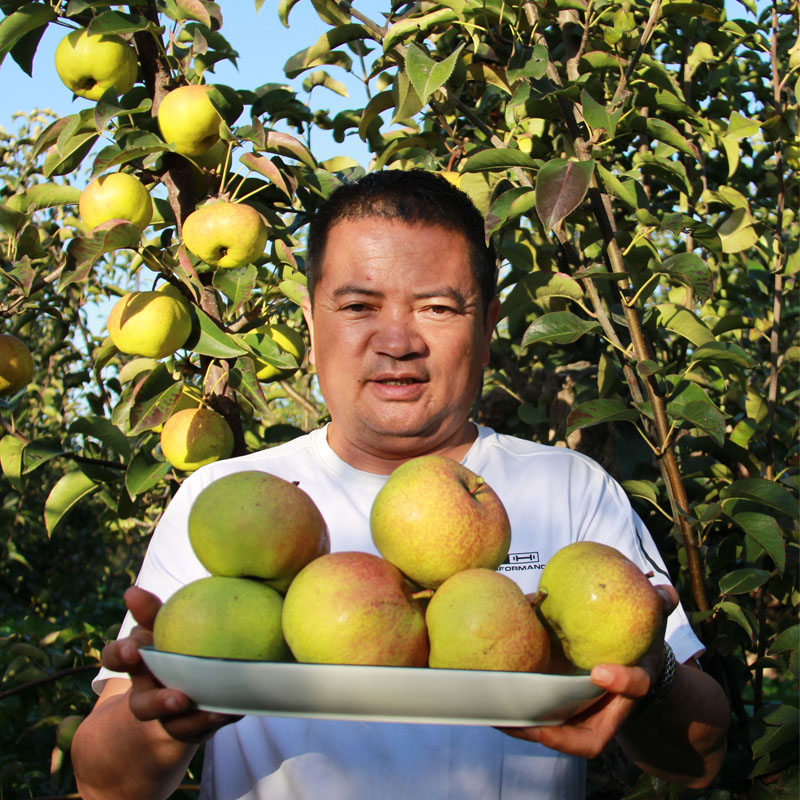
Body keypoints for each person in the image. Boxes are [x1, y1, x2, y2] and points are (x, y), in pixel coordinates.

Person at [72, 170, 730, 800]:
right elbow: (106, 786)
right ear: (310, 319)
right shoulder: (235, 499)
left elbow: (700, 760)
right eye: (358, 305)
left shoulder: (566, 489)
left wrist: (656, 673)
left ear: (489, 322)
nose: (396, 341)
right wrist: (162, 715)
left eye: (438, 307)